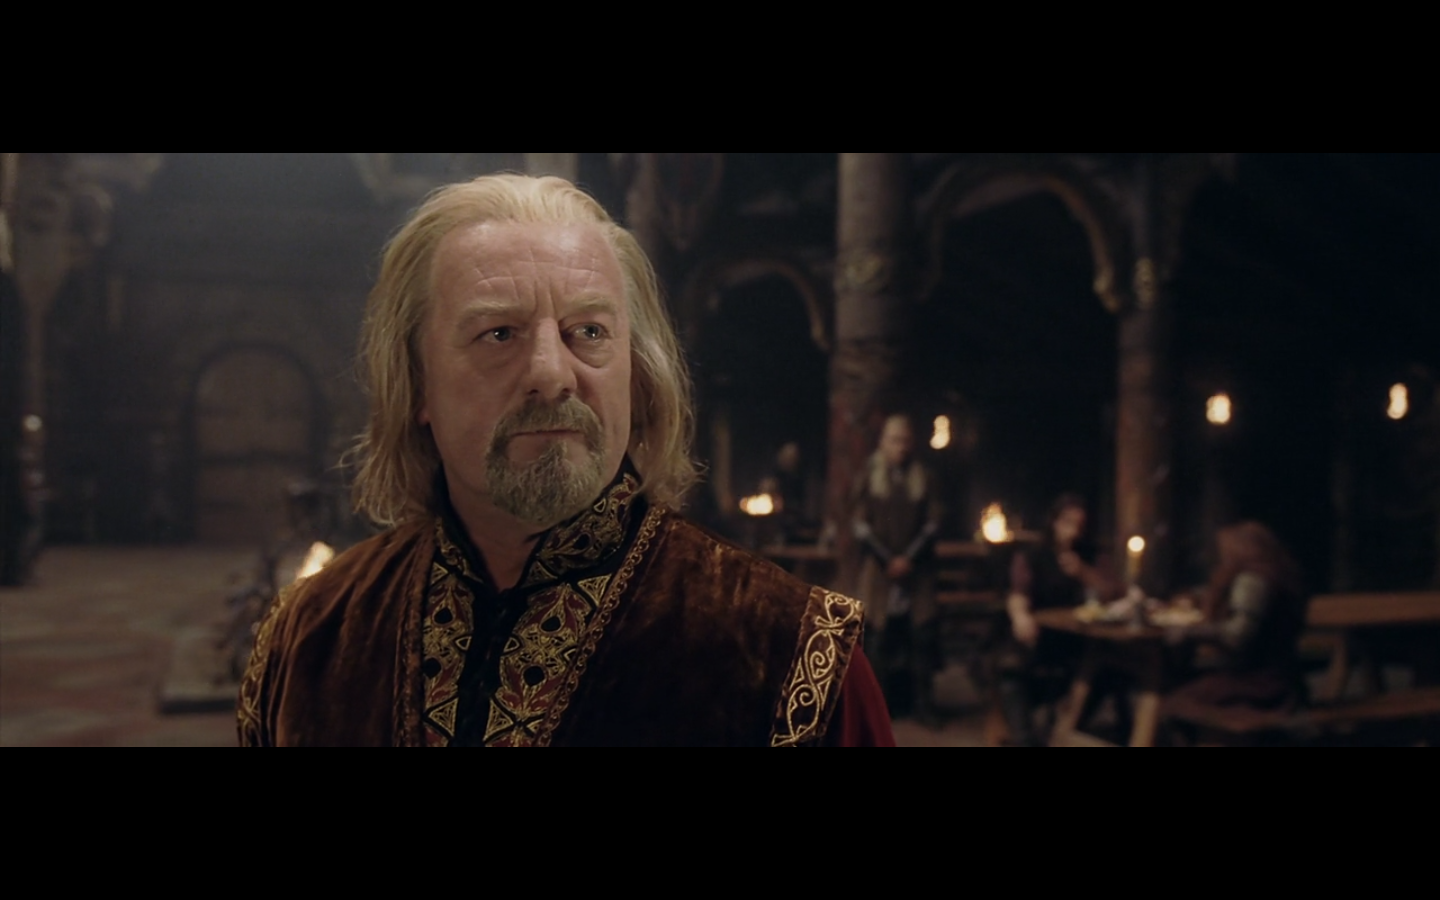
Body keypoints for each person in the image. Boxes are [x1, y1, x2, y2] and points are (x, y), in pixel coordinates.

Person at [237, 174, 893, 747]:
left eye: (589, 332)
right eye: (499, 333)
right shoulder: (308, 642)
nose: (552, 374)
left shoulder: (789, 657)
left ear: (637, 376)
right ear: (416, 384)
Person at [1162, 521, 1308, 730]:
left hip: (1262, 686)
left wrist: (1190, 632)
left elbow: (1237, 634)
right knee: (1177, 690)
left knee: (1172, 701)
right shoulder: (1271, 575)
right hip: (1272, 679)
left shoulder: (1254, 579)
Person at [996, 493, 1113, 746]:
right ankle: (1025, 739)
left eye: (1079, 525)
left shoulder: (1090, 555)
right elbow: (1018, 594)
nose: (1073, 531)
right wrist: (1020, 616)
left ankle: (1064, 730)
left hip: (1079, 638)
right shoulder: (1034, 554)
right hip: (1040, 635)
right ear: (1054, 522)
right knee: (1011, 669)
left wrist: (1083, 572)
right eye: (1067, 523)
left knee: (1105, 671)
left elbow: (1110, 592)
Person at [850, 414, 945, 722]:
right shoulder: (869, 475)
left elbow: (932, 523)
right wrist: (887, 559)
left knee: (922, 638)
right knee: (876, 640)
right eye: (894, 440)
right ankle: (879, 708)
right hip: (879, 572)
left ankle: (924, 706)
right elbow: (860, 524)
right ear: (883, 442)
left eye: (905, 441)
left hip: (916, 572)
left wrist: (908, 559)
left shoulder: (924, 477)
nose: (900, 447)